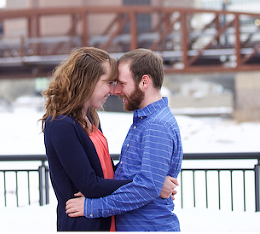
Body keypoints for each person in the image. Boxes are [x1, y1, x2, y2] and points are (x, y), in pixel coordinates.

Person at [40, 47, 177, 231]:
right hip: (83, 223)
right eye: (110, 82)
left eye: (117, 83)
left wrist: (151, 182)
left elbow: (106, 172)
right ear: (89, 81)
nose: (113, 90)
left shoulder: (91, 117)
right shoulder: (61, 125)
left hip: (105, 221)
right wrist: (152, 184)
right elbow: (90, 185)